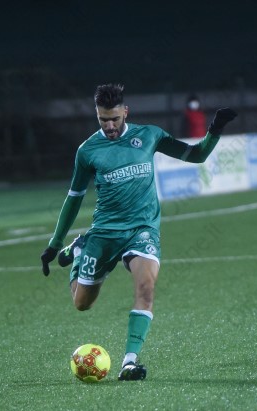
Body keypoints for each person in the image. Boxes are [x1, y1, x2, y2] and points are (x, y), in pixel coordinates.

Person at [40, 83, 237, 380]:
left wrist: (215, 129)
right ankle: (79, 250)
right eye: (103, 120)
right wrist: (55, 244)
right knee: (82, 303)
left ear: (125, 112)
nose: (109, 126)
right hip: (104, 233)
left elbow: (196, 155)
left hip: (142, 230)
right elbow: (74, 197)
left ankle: (129, 362)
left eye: (114, 119)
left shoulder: (149, 135)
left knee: (146, 288)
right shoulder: (87, 151)